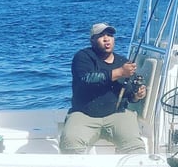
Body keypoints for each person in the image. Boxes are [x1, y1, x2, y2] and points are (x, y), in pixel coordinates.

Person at [59, 22, 147, 154]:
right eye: (101, 36)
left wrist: (137, 95)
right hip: (84, 115)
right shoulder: (83, 57)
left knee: (136, 148)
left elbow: (129, 94)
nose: (106, 39)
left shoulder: (123, 62)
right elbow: (86, 80)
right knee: (70, 144)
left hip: (117, 115)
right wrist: (119, 73)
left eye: (110, 35)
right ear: (92, 40)